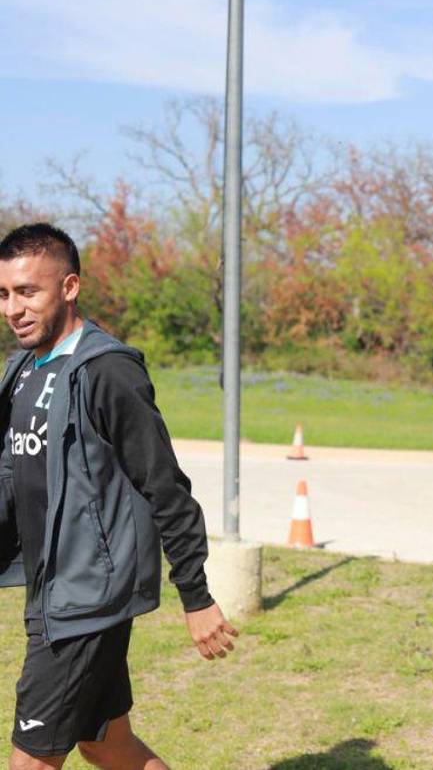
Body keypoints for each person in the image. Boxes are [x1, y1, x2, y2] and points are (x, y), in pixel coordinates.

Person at [0, 224, 238, 770]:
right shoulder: (23, 369)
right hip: (50, 586)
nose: (13, 308)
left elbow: (165, 484)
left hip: (84, 598)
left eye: (28, 292)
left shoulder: (107, 371)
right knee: (106, 743)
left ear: (69, 287)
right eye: (4, 294)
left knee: (30, 762)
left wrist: (196, 596)